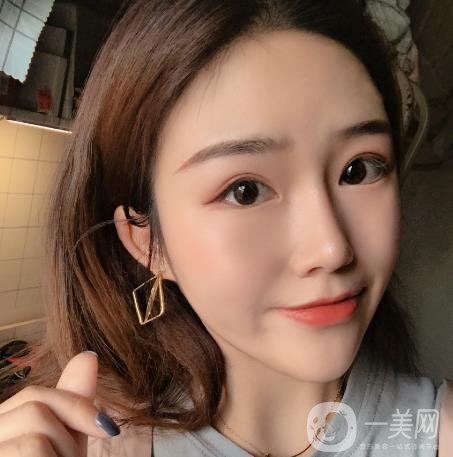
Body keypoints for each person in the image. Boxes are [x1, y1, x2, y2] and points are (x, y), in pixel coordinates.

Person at [0, 1, 451, 456]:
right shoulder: (98, 446)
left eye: (359, 170)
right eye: (245, 191)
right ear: (148, 241)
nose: (331, 248)